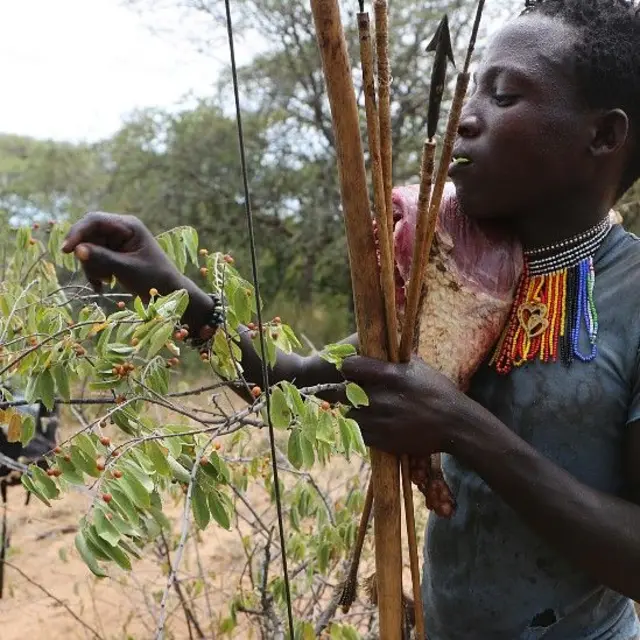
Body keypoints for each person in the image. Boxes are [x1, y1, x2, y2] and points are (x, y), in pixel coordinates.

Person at [62, 0, 640, 637]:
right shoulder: (448, 265)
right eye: (471, 86)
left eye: (502, 96)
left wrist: (460, 428)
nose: (464, 118)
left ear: (604, 136)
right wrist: (169, 286)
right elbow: (292, 382)